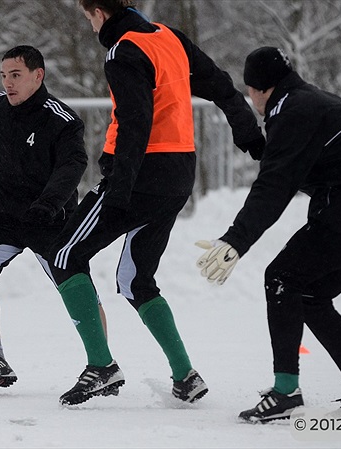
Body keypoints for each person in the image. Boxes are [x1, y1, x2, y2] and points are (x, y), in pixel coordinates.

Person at [48, 0, 265, 406]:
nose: (90, 26)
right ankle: (185, 375)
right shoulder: (167, 38)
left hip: (141, 174)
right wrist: (249, 135)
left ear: (97, 13)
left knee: (62, 255)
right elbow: (221, 86)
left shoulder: (122, 52)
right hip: (179, 173)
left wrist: (119, 191)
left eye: (87, 18)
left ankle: (102, 367)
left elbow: (135, 123)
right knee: (135, 280)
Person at [195, 47, 341, 423]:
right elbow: (297, 163)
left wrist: (236, 239)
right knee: (311, 294)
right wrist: (259, 146)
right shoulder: (310, 101)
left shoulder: (294, 111)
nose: (251, 100)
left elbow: (275, 184)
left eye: (250, 92)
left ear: (260, 89)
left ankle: (286, 393)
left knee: (282, 278)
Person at [0, 45, 108, 388]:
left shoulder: (62, 119)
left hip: (49, 217)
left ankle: (102, 364)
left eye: (16, 75)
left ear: (38, 76)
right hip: (0, 215)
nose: (8, 83)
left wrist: (48, 204)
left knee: (75, 283)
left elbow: (73, 166)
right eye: (4, 75)